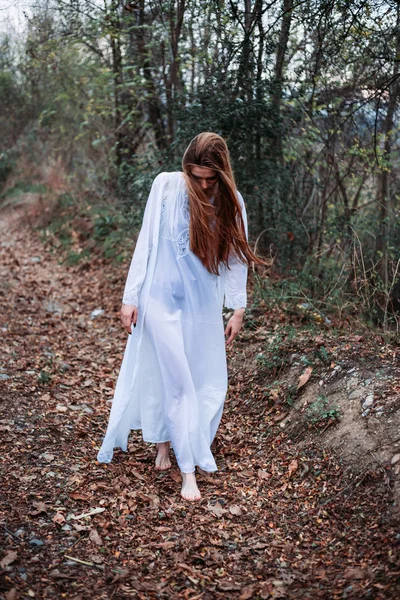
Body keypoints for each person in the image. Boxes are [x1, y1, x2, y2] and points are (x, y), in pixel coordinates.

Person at [97, 132, 264, 501]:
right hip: (159, 299)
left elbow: (236, 260)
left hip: (202, 305)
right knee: (176, 379)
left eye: (211, 178)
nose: (203, 184)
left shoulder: (232, 202)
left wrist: (238, 308)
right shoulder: (167, 187)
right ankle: (187, 470)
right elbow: (147, 240)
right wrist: (130, 297)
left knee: (203, 379)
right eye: (197, 176)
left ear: (222, 174)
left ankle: (168, 440)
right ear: (185, 168)